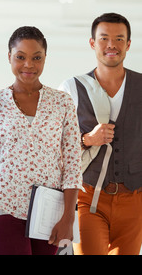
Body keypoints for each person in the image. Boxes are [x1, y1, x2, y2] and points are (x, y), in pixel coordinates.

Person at [0, 26, 83, 255]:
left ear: (45, 58)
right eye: (20, 57)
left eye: (36, 58)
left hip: (48, 211)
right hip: (3, 206)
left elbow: (73, 164)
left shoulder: (62, 103)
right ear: (9, 57)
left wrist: (68, 217)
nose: (29, 65)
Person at [59, 13, 142, 255]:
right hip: (88, 197)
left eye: (119, 38)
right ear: (92, 43)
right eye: (104, 38)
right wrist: (87, 140)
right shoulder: (71, 88)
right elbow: (54, 145)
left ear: (128, 44)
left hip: (134, 198)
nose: (111, 45)